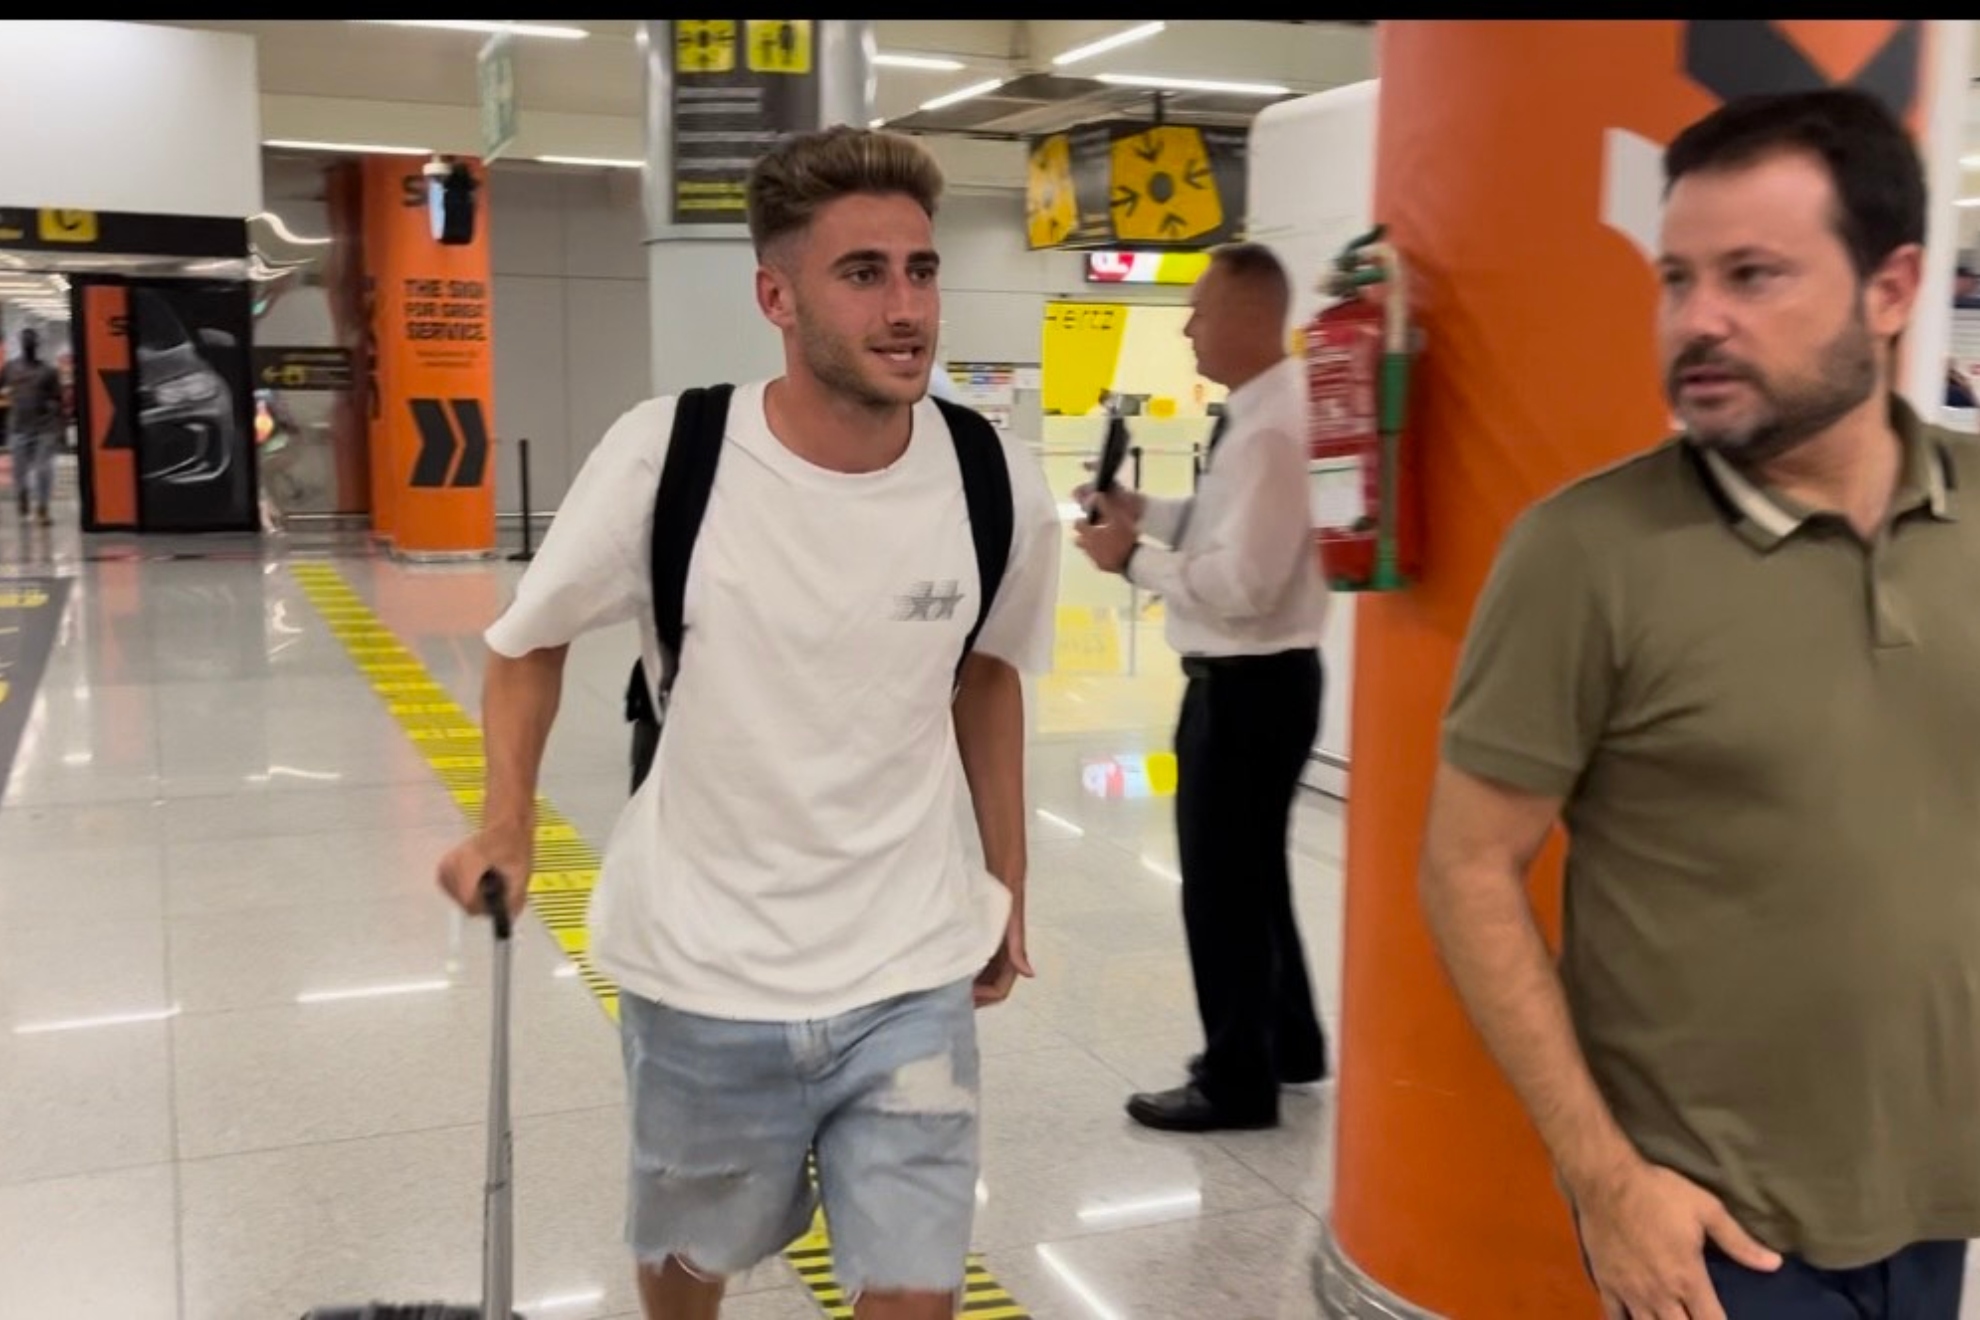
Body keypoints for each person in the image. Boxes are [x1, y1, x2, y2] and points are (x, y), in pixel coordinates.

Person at [436, 126, 1061, 1320]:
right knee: (692, 1261)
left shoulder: (994, 478)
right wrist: (506, 822)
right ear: (776, 294)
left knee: (918, 1292)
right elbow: (525, 642)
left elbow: (986, 673)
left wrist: (1009, 879)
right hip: (704, 966)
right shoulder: (670, 456)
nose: (905, 307)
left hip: (911, 962)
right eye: (862, 272)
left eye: (921, 270)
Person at [1420, 87, 1980, 1320]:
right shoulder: (1587, 554)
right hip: (1720, 1234)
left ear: (1889, 291)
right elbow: (1466, 870)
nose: (1698, 321)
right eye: (1677, 277)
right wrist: (1605, 1179)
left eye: (1753, 275)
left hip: (1941, 1199)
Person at [1072, 242, 1331, 1133]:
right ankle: (1288, 1044)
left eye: (1200, 310)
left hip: (1248, 687)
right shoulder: (1262, 412)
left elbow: (1244, 587)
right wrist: (1153, 515)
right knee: (1255, 874)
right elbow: (1230, 534)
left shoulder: (1268, 426)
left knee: (1222, 885)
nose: (1187, 327)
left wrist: (1129, 557)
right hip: (1265, 684)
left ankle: (1236, 1080)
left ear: (1252, 316)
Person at [4, 326, 63, 526]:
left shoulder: (48, 371)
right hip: (18, 427)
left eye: (32, 341)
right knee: (19, 472)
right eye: (25, 341)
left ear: (37, 345)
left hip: (44, 428)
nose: (29, 344)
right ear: (21, 344)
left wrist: (57, 427)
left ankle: (43, 508)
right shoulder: (10, 368)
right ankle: (23, 496)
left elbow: (58, 399)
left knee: (43, 470)